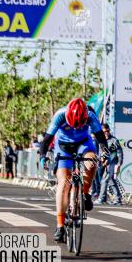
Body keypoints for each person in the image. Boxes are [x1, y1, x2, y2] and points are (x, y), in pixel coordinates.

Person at [38, 97, 108, 243]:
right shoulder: (60, 115)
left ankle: (85, 193)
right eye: (73, 125)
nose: (76, 127)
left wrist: (105, 153)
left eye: (80, 124)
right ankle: (60, 226)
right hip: (63, 147)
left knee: (92, 162)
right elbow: (47, 139)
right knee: (63, 183)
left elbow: (101, 138)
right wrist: (43, 156)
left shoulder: (90, 115)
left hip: (83, 144)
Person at [97, 124, 124, 204]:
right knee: (108, 181)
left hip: (113, 163)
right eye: (104, 132)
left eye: (107, 131)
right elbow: (101, 153)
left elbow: (119, 153)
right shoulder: (101, 141)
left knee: (107, 180)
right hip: (106, 164)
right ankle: (110, 199)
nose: (106, 133)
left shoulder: (113, 140)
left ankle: (103, 199)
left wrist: (119, 164)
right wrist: (101, 159)